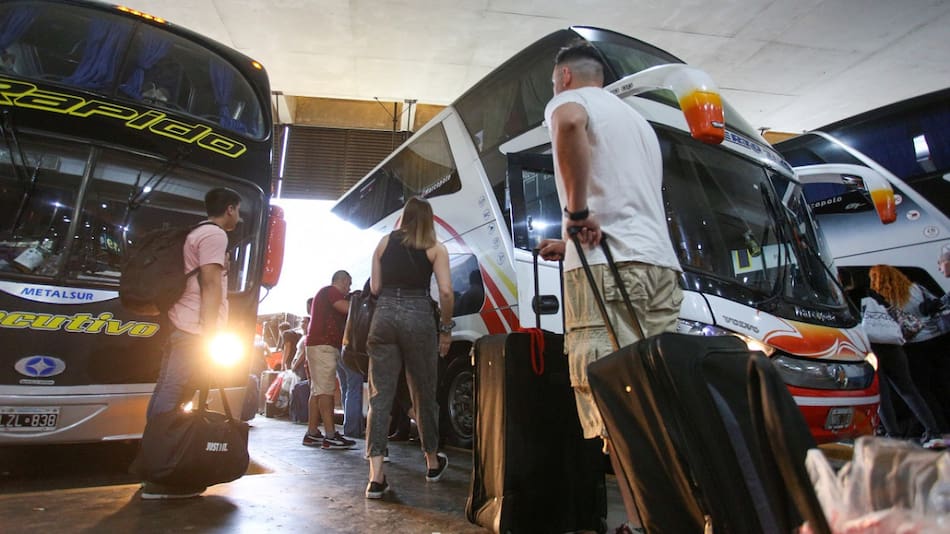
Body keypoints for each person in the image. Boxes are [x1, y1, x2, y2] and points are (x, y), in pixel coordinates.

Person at [538, 41, 683, 533]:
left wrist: (576, 213)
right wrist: (569, 241)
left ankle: (644, 526)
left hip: (607, 269)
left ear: (565, 77)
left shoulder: (567, 102)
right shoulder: (636, 122)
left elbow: (568, 125)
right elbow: (627, 200)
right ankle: (671, 517)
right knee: (656, 400)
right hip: (659, 268)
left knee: (612, 399)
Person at [140, 186, 242, 500]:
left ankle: (155, 460)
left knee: (166, 389)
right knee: (174, 391)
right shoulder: (214, 235)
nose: (238, 216)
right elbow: (211, 283)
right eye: (237, 210)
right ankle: (163, 472)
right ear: (229, 209)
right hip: (195, 329)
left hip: (180, 324)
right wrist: (211, 331)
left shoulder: (195, 233)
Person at [364, 197, 453, 500]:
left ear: (403, 217)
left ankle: (376, 477)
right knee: (423, 392)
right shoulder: (435, 247)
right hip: (418, 316)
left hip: (384, 314)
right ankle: (431, 461)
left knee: (380, 396)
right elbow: (445, 291)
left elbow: (374, 289)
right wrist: (446, 328)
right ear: (428, 219)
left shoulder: (383, 243)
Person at [844, 269, 942, 443]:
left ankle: (893, 435)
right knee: (908, 390)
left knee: (882, 393)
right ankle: (933, 431)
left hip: (871, 348)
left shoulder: (843, 300)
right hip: (893, 346)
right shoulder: (872, 294)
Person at [868, 265, 950, 443]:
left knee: (919, 389)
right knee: (935, 385)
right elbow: (938, 303)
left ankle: (928, 430)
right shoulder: (916, 288)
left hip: (911, 344)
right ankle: (936, 430)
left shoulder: (881, 298)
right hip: (936, 338)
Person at [302, 271, 357, 450]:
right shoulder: (331, 291)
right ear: (341, 281)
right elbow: (346, 308)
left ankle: (312, 432)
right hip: (323, 346)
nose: (348, 288)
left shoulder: (322, 294)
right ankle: (330, 435)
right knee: (326, 391)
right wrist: (362, 304)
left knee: (317, 390)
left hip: (316, 345)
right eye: (348, 284)